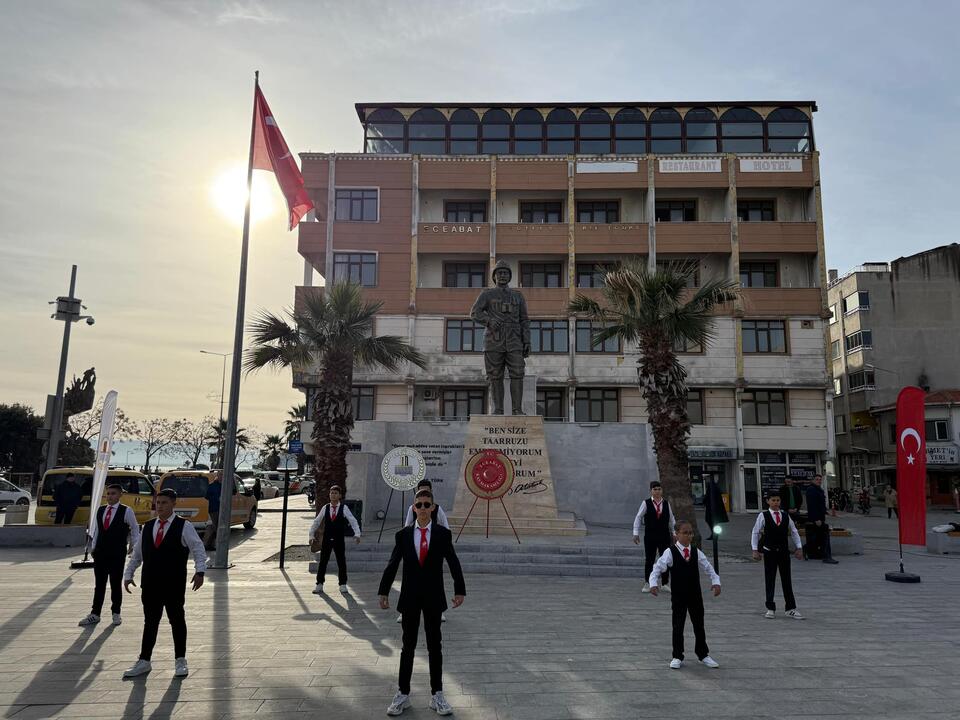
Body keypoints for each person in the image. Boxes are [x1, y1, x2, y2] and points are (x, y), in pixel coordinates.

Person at [379, 489, 465, 716]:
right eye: (419, 505)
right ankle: (403, 694)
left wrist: (459, 590)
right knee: (407, 647)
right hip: (410, 598)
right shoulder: (403, 535)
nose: (423, 508)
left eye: (427, 504)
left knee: (435, 646)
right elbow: (393, 563)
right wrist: (384, 591)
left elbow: (453, 562)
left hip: (434, 598)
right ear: (414, 508)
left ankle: (437, 695)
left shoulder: (442, 534)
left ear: (433, 508)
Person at [121, 488, 207, 679]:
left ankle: (180, 660)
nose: (160, 506)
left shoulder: (183, 526)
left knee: (177, 620)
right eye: (158, 503)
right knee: (150, 621)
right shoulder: (148, 526)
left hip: (173, 583)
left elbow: (198, 548)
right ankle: (144, 660)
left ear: (173, 504)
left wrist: (200, 571)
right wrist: (128, 574)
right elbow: (137, 555)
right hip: (150, 583)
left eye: (164, 503)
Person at [648, 521, 721, 670]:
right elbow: (657, 568)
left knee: (699, 624)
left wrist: (716, 581)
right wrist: (653, 583)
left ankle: (703, 654)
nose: (689, 536)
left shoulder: (695, 552)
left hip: (695, 594)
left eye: (690, 533)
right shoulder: (670, 552)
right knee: (678, 625)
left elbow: (708, 567)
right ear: (676, 534)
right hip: (679, 595)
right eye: (685, 533)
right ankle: (677, 656)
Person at [470, 259, 531, 415]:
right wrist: (489, 321)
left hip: (515, 340)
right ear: (494, 276)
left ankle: (517, 410)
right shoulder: (487, 294)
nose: (502, 275)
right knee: (495, 376)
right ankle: (498, 410)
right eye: (499, 273)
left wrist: (527, 340)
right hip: (493, 339)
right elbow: (474, 313)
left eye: (505, 273)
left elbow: (524, 319)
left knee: (517, 373)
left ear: (510, 276)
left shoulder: (518, 296)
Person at [79, 483, 141, 627]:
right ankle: (95, 613)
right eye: (108, 493)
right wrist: (94, 547)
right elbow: (97, 530)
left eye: (113, 493)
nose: (110, 496)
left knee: (115, 584)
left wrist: (134, 546)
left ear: (120, 495)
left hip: (117, 553)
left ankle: (116, 612)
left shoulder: (126, 511)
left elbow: (134, 528)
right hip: (100, 552)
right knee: (99, 584)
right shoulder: (101, 510)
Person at [401, 479, 450, 623]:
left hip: (432, 548)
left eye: (426, 490)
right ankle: (404, 611)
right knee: (409, 582)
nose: (423, 492)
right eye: (421, 490)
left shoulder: (437, 509)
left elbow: (446, 526)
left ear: (431, 491)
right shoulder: (412, 508)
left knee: (436, 582)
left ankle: (439, 611)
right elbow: (406, 526)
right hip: (415, 547)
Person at [751, 491, 805, 620]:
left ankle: (790, 608)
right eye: (773, 500)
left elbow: (794, 531)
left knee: (787, 580)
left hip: (783, 552)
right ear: (768, 501)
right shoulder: (763, 515)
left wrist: (799, 547)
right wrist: (754, 549)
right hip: (769, 551)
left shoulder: (785, 516)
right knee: (770, 579)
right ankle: (770, 608)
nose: (776, 503)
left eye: (778, 500)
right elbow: (755, 532)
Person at [308, 485, 360, 595]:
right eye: (331, 493)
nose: (333, 495)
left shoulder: (344, 508)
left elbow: (353, 521)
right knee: (323, 561)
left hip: (339, 539)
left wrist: (357, 534)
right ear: (329, 495)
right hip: (327, 539)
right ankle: (319, 584)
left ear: (340, 495)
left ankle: (343, 584)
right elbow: (317, 521)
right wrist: (311, 535)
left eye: (336, 493)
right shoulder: (325, 508)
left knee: (341, 562)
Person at [632, 480, 676, 593]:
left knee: (665, 558)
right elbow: (638, 517)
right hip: (650, 535)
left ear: (662, 490)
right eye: (655, 489)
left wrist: (674, 533)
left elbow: (672, 519)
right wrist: (635, 533)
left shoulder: (666, 503)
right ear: (651, 491)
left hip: (664, 535)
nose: (657, 491)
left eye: (659, 489)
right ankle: (648, 583)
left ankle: (665, 583)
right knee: (649, 559)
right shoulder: (646, 503)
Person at [803, 475, 838, 564]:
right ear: (813, 480)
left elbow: (821, 504)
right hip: (816, 518)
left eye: (820, 479)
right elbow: (812, 505)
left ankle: (807, 549)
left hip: (820, 517)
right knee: (825, 536)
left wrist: (825, 512)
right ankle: (827, 556)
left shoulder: (819, 490)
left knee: (817, 537)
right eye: (817, 479)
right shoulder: (811, 490)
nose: (819, 481)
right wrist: (816, 519)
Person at [202, 472, 222, 551]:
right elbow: (207, 496)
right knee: (216, 527)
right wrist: (216, 499)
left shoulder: (223, 486)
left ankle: (209, 544)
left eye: (222, 476)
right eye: (220, 475)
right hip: (214, 509)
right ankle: (210, 544)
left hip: (219, 509)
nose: (221, 477)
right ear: (217, 476)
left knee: (215, 527)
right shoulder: (213, 486)